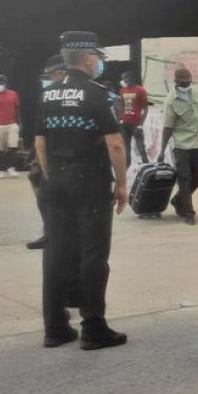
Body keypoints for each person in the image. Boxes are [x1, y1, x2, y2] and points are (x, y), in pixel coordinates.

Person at [34, 32, 129, 350]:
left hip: (55, 180)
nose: (99, 62)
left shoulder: (47, 94)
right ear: (88, 58)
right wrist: (122, 183)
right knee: (93, 253)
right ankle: (93, 327)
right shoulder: (97, 94)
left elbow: (39, 144)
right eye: (97, 56)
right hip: (89, 180)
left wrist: (52, 178)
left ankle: (55, 328)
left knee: (56, 252)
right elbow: (115, 143)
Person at [157, 66, 198, 225]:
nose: (186, 84)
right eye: (183, 82)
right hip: (181, 145)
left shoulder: (197, 92)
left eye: (189, 81)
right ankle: (188, 212)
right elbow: (167, 127)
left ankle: (178, 199)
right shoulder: (170, 100)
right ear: (176, 82)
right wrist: (162, 150)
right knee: (185, 178)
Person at [26, 55, 67, 250]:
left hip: (61, 151)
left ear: (60, 73)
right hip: (51, 147)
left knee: (49, 189)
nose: (49, 79)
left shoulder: (55, 94)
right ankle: (50, 230)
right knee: (36, 178)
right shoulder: (48, 94)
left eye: (51, 76)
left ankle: (55, 232)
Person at [119, 70, 149, 167]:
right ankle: (126, 169)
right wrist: (121, 119)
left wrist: (140, 125)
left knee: (141, 148)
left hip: (136, 124)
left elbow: (145, 109)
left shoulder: (140, 90)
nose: (123, 81)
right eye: (122, 79)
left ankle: (147, 167)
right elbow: (121, 106)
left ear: (130, 78)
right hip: (125, 124)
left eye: (124, 78)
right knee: (126, 149)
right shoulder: (122, 91)